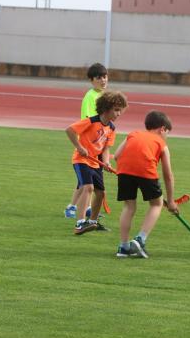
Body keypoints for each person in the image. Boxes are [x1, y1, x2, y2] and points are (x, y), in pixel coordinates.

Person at [113, 111, 178, 258]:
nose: (166, 136)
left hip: (124, 171)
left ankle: (123, 247)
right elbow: (168, 175)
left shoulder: (132, 134)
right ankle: (140, 239)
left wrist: (126, 169)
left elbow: (116, 156)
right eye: (167, 132)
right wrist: (171, 201)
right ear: (162, 129)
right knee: (156, 204)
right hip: (146, 172)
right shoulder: (162, 144)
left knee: (129, 206)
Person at [65, 90, 128, 235]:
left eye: (121, 111)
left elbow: (106, 148)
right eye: (116, 110)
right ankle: (80, 223)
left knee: (101, 193)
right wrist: (80, 147)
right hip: (81, 160)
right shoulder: (91, 121)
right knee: (88, 188)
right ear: (106, 108)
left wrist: (106, 162)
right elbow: (69, 130)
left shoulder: (111, 128)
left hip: (95, 163)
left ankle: (92, 222)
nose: (119, 114)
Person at [64, 63, 109, 219]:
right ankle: (73, 208)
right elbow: (91, 120)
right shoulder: (91, 96)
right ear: (92, 80)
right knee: (85, 182)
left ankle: (84, 207)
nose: (103, 80)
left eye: (105, 77)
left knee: (86, 181)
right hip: (88, 142)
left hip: (97, 142)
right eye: (99, 78)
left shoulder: (103, 95)